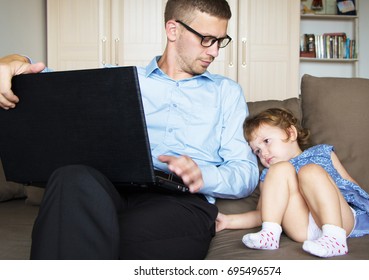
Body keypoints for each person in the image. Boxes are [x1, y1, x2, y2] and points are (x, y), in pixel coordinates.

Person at [0, 0, 259, 259]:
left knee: (83, 234)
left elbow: (245, 172)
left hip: (180, 200)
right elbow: (50, 85)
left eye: (220, 41)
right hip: (111, 190)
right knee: (70, 177)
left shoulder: (227, 92)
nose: (214, 52)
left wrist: (203, 175)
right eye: (206, 39)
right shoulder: (119, 79)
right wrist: (14, 61)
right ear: (173, 30)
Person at [216, 107, 369, 258]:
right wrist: (228, 221)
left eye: (266, 141)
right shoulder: (270, 175)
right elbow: (263, 213)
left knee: (310, 171)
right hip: (302, 228)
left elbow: (349, 184)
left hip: (339, 220)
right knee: (279, 170)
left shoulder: (322, 153)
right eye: (257, 150)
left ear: (290, 132)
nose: (263, 153)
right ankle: (270, 236)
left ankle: (334, 239)